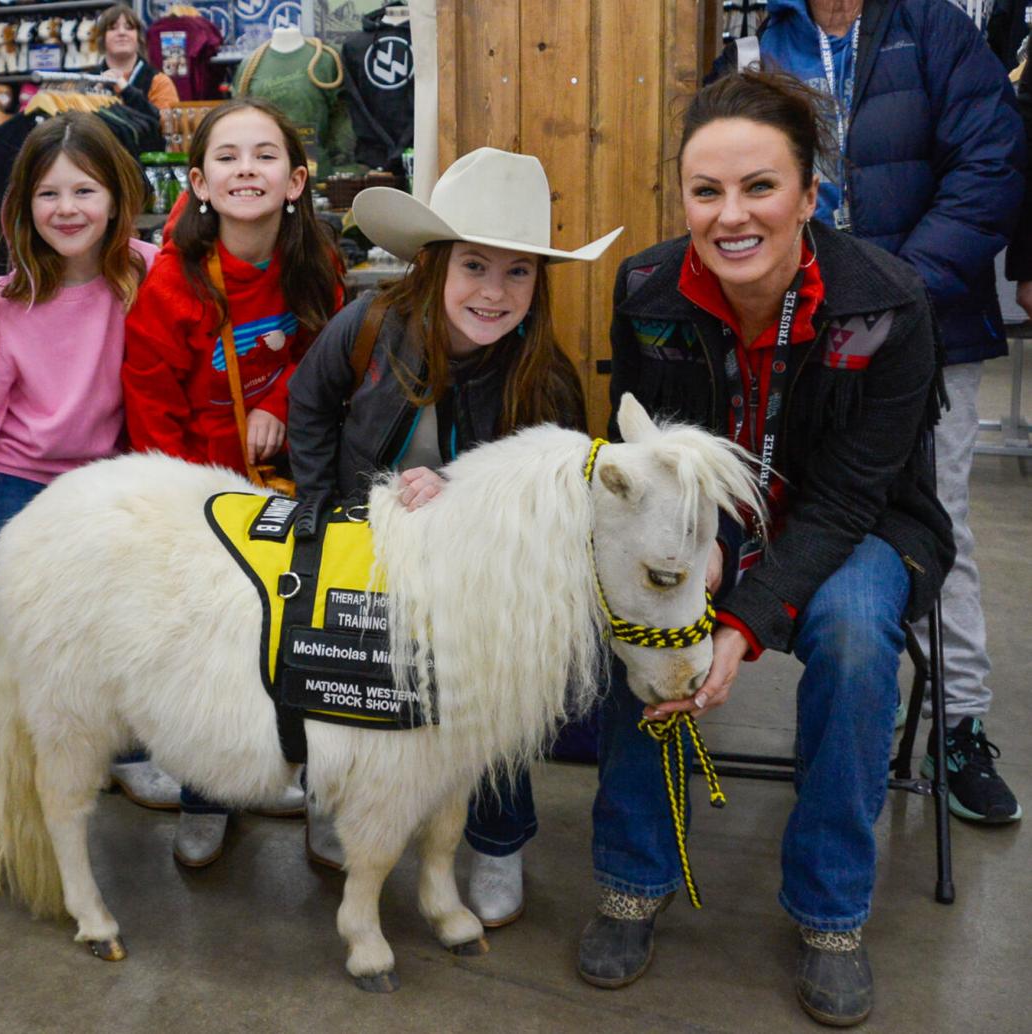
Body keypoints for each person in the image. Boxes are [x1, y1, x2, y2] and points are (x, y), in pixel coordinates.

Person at [578, 70, 953, 1027]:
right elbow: (652, 454)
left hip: (859, 526)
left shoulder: (890, 304)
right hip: (714, 520)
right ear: (683, 198)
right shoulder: (648, 289)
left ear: (809, 195)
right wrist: (694, 554)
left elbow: (848, 499)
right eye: (707, 191)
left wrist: (743, 621)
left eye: (760, 187)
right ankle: (633, 875)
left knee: (856, 635)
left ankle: (831, 912)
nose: (730, 215)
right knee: (640, 612)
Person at [286, 147, 618, 927]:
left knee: (485, 708)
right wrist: (322, 510)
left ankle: (496, 840)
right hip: (366, 548)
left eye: (518, 273)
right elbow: (310, 400)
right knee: (345, 681)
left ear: (539, 285)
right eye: (475, 266)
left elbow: (554, 506)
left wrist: (462, 496)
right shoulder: (369, 324)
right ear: (436, 267)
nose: (494, 293)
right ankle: (335, 800)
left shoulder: (547, 382)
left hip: (482, 578)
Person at [715, 0, 1023, 825]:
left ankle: (957, 727)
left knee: (935, 522)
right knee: (791, 509)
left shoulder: (935, 27)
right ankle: (865, 701)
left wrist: (896, 300)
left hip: (928, 329)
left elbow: (990, 161)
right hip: (791, 337)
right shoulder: (754, 37)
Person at [122, 98, 344, 866]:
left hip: (301, 488)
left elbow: (329, 362)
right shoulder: (173, 287)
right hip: (203, 497)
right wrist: (189, 508)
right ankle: (204, 789)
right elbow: (150, 407)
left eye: (264, 155)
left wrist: (280, 405)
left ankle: (325, 793)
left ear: (296, 179)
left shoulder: (319, 264)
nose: (246, 168)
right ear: (199, 182)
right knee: (206, 652)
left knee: (311, 640)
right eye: (227, 157)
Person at [0, 111, 169, 833]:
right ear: (22, 206)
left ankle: (118, 758)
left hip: (112, 481)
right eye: (48, 194)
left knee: (112, 633)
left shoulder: (149, 273)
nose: (66, 209)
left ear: (118, 195)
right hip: (18, 480)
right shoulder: (9, 298)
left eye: (85, 191)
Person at [97, 5, 180, 112]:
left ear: (138, 37)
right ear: (102, 38)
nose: (122, 33)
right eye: (113, 28)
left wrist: (127, 91)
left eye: (129, 27)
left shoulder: (159, 83)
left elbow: (164, 124)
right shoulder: (88, 81)